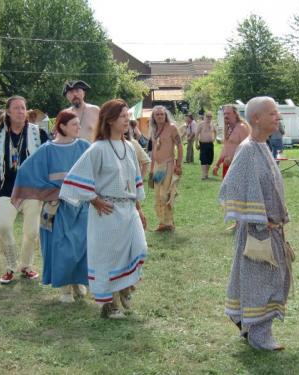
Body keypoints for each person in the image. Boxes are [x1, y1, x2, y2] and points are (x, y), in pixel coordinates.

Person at [60, 99, 148, 319]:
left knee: (139, 248)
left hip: (128, 209)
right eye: (122, 117)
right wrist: (93, 199)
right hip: (107, 212)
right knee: (109, 259)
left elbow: (134, 179)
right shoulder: (97, 148)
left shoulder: (129, 146)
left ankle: (126, 287)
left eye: (128, 116)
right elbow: (74, 179)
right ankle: (110, 306)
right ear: (109, 121)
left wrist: (138, 208)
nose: (127, 120)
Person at [220, 96, 292, 351]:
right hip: (257, 233)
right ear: (256, 118)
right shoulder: (249, 149)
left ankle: (247, 323)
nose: (278, 117)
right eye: (272, 113)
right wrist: (257, 219)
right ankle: (258, 333)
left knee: (266, 280)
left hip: (269, 231)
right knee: (259, 282)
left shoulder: (262, 146)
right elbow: (231, 186)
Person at [12, 110, 89, 303]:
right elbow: (26, 172)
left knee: (81, 245)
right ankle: (64, 289)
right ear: (62, 127)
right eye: (74, 124)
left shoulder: (84, 147)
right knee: (61, 246)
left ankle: (78, 281)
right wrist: (50, 191)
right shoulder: (47, 150)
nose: (79, 127)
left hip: (81, 206)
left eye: (79, 124)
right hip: (57, 207)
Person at [0, 96, 49, 284]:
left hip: (32, 189)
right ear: (8, 112)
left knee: (31, 232)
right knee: (3, 226)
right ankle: (10, 265)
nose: (20, 111)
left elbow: (48, 159)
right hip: (7, 189)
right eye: (16, 108)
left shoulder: (37, 133)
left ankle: (26, 266)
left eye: (23, 108)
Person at [148, 105, 183, 232]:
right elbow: (153, 152)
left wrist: (178, 165)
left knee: (166, 193)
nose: (160, 116)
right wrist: (152, 170)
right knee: (157, 194)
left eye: (162, 114)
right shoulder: (153, 130)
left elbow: (179, 146)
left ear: (165, 115)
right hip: (158, 167)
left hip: (169, 164)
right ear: (153, 117)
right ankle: (162, 222)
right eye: (157, 114)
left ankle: (169, 222)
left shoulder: (172, 128)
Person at [213, 105, 250, 178]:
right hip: (227, 166)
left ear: (235, 114)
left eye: (228, 113)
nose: (225, 116)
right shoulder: (228, 129)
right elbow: (225, 148)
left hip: (239, 167)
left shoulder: (242, 127)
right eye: (224, 114)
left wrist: (233, 159)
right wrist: (217, 164)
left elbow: (248, 149)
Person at [195, 111, 217, 179]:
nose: (209, 118)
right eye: (207, 116)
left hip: (210, 144)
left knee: (209, 159)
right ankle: (203, 175)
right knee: (203, 159)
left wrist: (214, 139)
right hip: (203, 144)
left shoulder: (212, 124)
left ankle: (206, 174)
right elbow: (197, 134)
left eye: (210, 116)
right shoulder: (201, 124)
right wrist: (196, 143)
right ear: (205, 117)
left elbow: (215, 132)